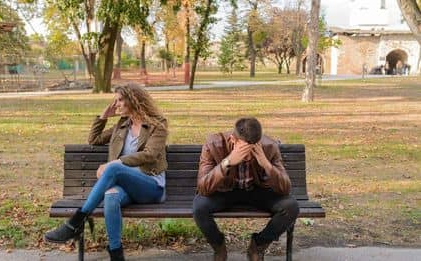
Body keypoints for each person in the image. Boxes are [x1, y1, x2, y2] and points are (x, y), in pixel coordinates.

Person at [44, 84, 168, 261]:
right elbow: (94, 140)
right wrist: (103, 117)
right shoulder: (122, 126)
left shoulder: (158, 124)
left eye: (119, 100)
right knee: (110, 196)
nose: (115, 104)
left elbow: (150, 155)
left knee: (114, 167)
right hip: (126, 186)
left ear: (133, 100)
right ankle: (116, 253)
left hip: (151, 186)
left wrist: (117, 163)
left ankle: (75, 222)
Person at [193, 117, 299, 261]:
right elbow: (203, 187)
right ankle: (219, 247)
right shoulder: (213, 144)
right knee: (199, 206)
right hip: (225, 192)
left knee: (290, 206)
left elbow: (285, 189)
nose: (248, 155)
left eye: (253, 149)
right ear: (233, 140)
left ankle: (258, 245)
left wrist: (266, 164)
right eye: (243, 149)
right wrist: (227, 162)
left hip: (256, 191)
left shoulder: (269, 146)